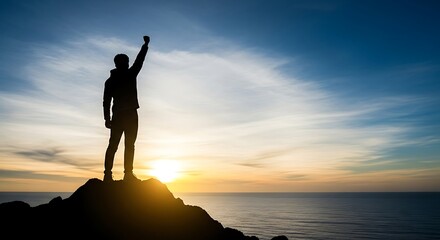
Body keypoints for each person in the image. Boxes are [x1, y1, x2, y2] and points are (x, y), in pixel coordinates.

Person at [102, 36, 150, 182]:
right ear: (118, 64)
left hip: (126, 115)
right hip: (123, 115)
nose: (127, 64)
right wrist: (107, 119)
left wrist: (145, 46)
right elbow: (106, 101)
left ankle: (126, 173)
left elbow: (139, 60)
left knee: (128, 145)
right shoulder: (124, 76)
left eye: (127, 62)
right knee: (115, 145)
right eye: (125, 62)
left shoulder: (128, 75)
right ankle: (109, 174)